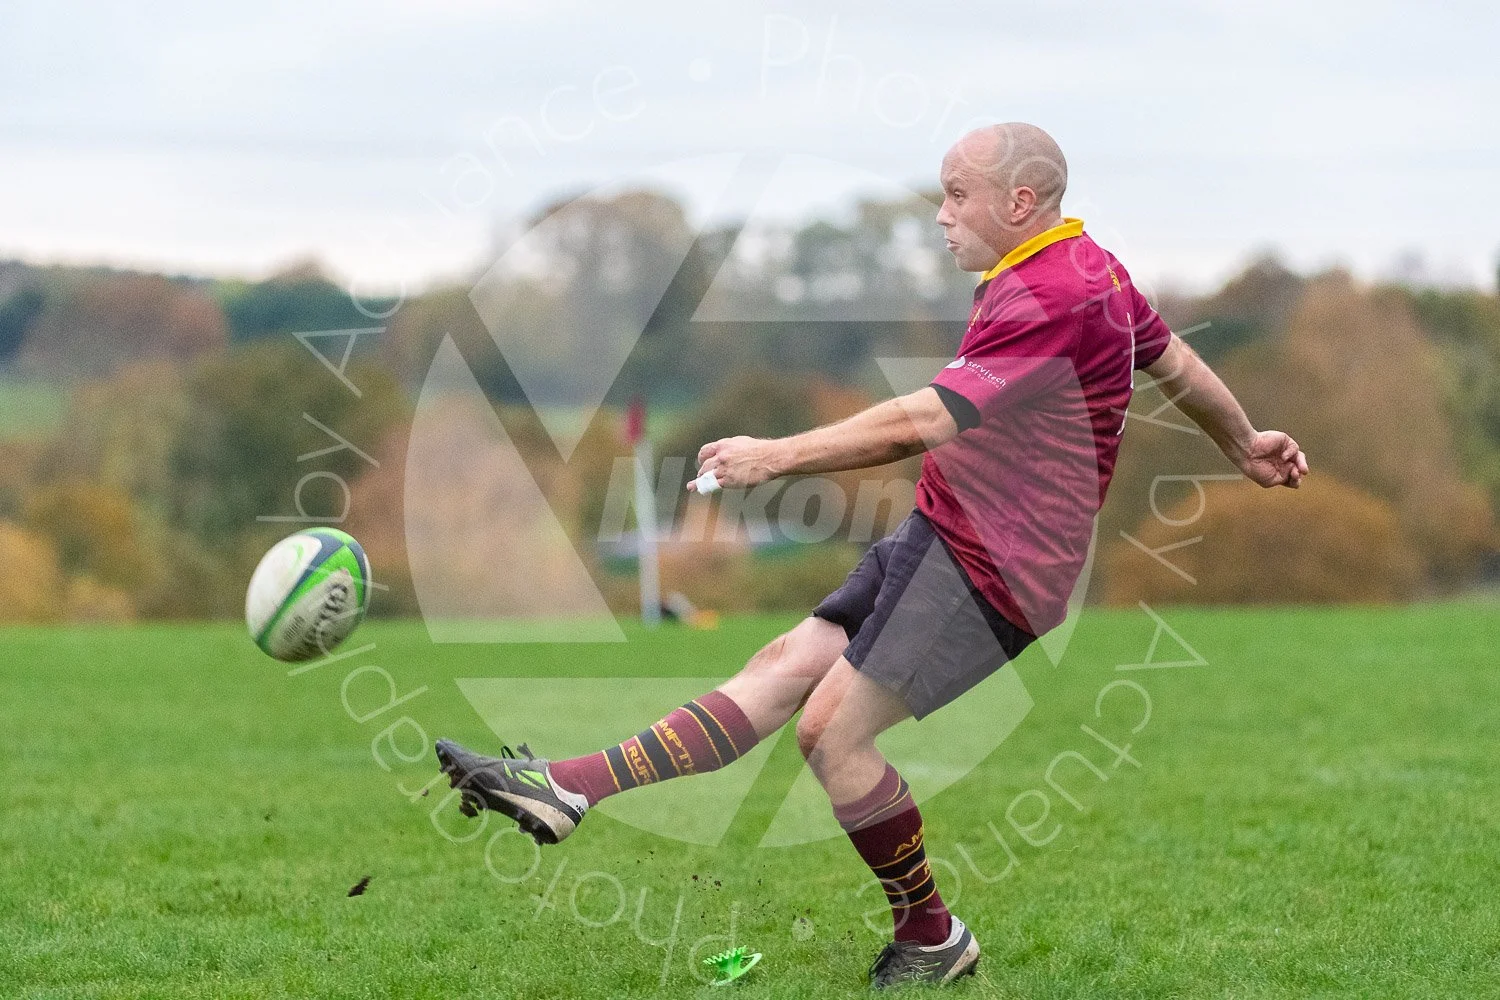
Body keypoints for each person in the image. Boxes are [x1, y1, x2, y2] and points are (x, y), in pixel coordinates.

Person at [435, 122, 1309, 988]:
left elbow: (925, 421)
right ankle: (567, 787)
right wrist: (1242, 441)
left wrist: (774, 455)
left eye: (956, 194)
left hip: (997, 570)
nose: (940, 214)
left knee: (831, 736)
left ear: (1021, 202)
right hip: (945, 531)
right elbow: (1173, 358)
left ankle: (933, 937)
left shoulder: (1061, 293)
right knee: (781, 668)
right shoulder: (1083, 268)